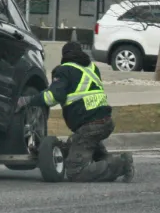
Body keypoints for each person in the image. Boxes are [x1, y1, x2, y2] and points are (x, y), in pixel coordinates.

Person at [17, 41, 134, 183]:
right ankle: (108, 160)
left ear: (64, 55)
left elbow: (54, 96)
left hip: (90, 126)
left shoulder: (64, 70)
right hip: (104, 122)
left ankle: (121, 164)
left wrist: (28, 100)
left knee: (76, 171)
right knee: (80, 144)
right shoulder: (92, 68)